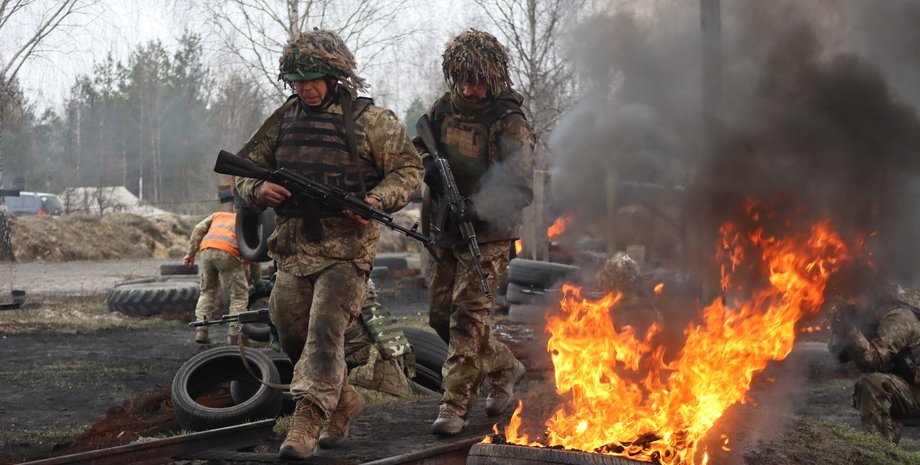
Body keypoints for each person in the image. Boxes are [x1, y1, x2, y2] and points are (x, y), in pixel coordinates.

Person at [233, 29, 422, 460]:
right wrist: (260, 190)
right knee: (289, 330)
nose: (306, 89)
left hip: (347, 249)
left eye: (314, 80)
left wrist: (375, 199)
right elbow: (243, 170)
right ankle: (344, 400)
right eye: (297, 82)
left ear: (335, 76)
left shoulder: (370, 121)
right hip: (293, 249)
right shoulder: (284, 120)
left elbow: (409, 171)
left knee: (323, 332)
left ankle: (306, 422)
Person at [413, 29, 535, 436]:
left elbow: (520, 188)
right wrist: (427, 168)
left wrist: (478, 207)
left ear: (494, 78)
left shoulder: (510, 121)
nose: (471, 88)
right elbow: (416, 147)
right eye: (464, 79)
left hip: (489, 233)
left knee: (468, 318)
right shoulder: (443, 109)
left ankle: (453, 406)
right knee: (439, 317)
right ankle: (504, 367)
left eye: (479, 80)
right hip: (445, 228)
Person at [828, 282, 920, 443]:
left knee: (872, 383)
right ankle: (887, 454)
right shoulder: (876, 317)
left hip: (914, 389)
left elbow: (871, 361)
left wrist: (849, 327)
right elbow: (841, 355)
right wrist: (842, 327)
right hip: (907, 385)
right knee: (882, 383)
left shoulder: (899, 318)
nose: (854, 303)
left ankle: (878, 450)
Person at [183, 211, 248, 345]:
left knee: (207, 291)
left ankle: (201, 330)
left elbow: (198, 229)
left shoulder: (218, 215)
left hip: (206, 251)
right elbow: (253, 254)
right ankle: (234, 336)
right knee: (238, 296)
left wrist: (190, 253)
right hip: (228, 252)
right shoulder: (247, 222)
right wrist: (257, 280)